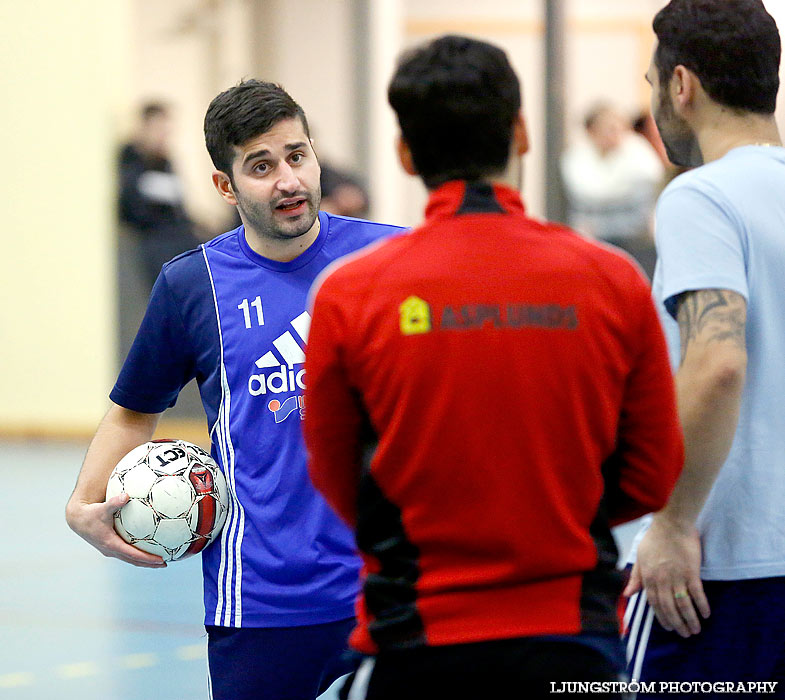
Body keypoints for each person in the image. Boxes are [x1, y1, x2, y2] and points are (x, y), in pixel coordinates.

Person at [303, 35, 683, 700]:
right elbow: (651, 474)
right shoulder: (611, 281)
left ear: (404, 152)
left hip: (414, 649)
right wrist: (553, 511)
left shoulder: (349, 293)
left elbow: (338, 481)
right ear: (522, 133)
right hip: (574, 646)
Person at [65, 79, 404, 700]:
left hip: (392, 589)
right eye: (261, 166)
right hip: (260, 599)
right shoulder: (192, 285)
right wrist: (83, 503)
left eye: (297, 156)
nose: (288, 180)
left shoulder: (390, 258)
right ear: (226, 186)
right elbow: (133, 410)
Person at [623, 0, 785, 692]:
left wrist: (671, 522)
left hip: (721, 571)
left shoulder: (702, 197)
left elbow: (717, 363)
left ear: (679, 85)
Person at [561, 103, 664, 278]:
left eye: (618, 128)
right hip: (590, 242)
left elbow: (639, 210)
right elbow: (581, 202)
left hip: (636, 244)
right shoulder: (577, 158)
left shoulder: (641, 157)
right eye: (608, 129)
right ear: (592, 131)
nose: (614, 134)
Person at [118, 102, 200, 290]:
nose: (163, 135)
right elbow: (132, 207)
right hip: (150, 237)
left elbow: (180, 207)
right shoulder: (130, 159)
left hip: (176, 234)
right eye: (158, 129)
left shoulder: (166, 162)